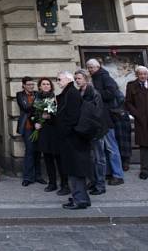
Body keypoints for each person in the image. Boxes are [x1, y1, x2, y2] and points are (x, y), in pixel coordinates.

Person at [85, 59, 125, 187]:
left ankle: (118, 175)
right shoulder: (95, 78)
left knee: (111, 147)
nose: (90, 69)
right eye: (88, 67)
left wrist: (94, 91)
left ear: (98, 67)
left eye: (92, 67)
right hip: (99, 118)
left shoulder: (104, 77)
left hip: (106, 118)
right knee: (103, 148)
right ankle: (109, 172)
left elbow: (110, 93)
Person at [57, 70, 92, 210]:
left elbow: (71, 117)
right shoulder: (69, 93)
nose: (58, 82)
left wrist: (64, 132)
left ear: (67, 79)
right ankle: (80, 197)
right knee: (73, 169)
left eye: (59, 79)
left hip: (73, 139)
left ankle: (80, 199)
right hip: (72, 138)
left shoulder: (71, 93)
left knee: (75, 169)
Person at [33, 77, 63, 192]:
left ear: (51, 86)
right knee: (47, 158)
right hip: (43, 132)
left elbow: (58, 115)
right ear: (39, 86)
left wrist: (49, 117)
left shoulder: (54, 97)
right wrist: (36, 121)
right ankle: (52, 183)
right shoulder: (37, 98)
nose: (46, 86)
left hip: (54, 131)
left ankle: (64, 183)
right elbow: (33, 113)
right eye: (43, 84)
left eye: (48, 84)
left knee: (58, 158)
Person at [16, 77, 43, 186]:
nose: (31, 86)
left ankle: (38, 176)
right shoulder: (19, 95)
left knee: (38, 151)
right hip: (27, 127)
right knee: (29, 151)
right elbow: (25, 108)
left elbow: (41, 108)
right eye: (29, 84)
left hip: (37, 127)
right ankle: (27, 177)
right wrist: (38, 105)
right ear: (23, 85)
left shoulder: (38, 94)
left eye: (33, 84)